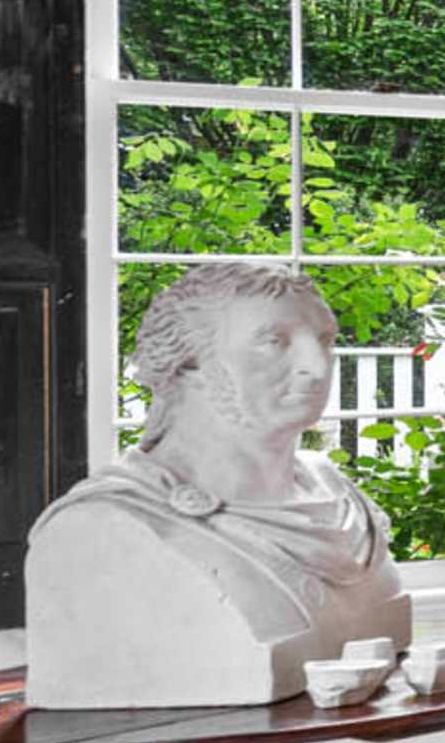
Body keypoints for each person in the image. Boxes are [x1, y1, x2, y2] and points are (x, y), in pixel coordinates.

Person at [23, 262, 410, 707]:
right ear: (188, 362)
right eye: (274, 342)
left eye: (324, 340)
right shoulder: (102, 528)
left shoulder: (338, 501)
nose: (316, 368)